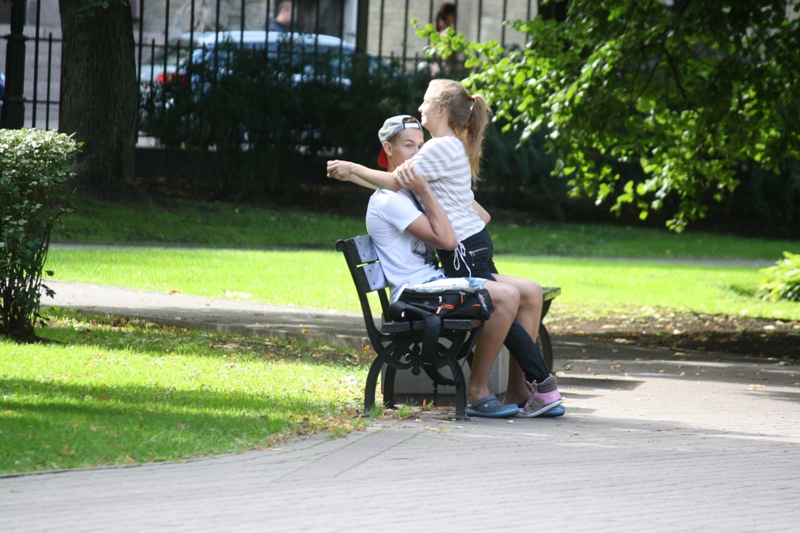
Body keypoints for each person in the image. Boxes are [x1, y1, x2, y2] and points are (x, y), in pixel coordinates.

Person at [333, 115, 564, 418]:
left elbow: (480, 216)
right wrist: (427, 192)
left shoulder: (414, 191)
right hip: (413, 292)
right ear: (388, 149)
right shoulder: (391, 201)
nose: (417, 154)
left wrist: (448, 191)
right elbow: (447, 241)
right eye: (408, 146)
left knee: (531, 292)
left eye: (421, 146)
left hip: (435, 280)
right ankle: (477, 391)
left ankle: (520, 391)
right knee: (506, 296)